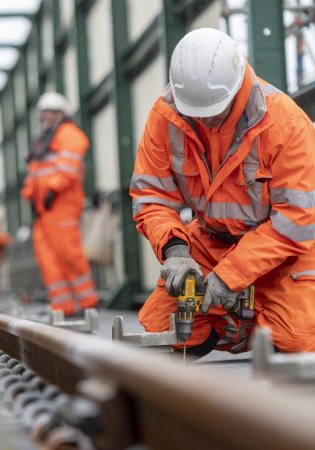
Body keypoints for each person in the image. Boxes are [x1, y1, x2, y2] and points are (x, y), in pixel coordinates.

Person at [130, 28, 315, 355]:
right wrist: (175, 251)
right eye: (196, 114)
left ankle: (255, 320)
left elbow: (296, 221)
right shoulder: (165, 117)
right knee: (164, 328)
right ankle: (240, 325)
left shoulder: (285, 124)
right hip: (212, 240)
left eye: (216, 112)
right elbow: (151, 199)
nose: (208, 122)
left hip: (283, 251)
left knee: (296, 340)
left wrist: (232, 275)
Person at [21, 92, 99, 316]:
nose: (44, 116)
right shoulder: (44, 140)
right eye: (42, 112)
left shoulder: (69, 134)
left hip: (61, 205)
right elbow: (34, 173)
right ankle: (63, 305)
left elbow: (68, 168)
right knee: (48, 259)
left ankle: (87, 302)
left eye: (49, 112)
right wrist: (30, 193)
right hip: (43, 209)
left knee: (69, 254)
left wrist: (51, 189)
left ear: (61, 114)